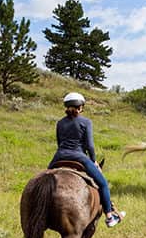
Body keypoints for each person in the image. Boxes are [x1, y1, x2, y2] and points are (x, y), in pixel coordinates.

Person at [49, 92, 124, 227]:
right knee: (103, 184)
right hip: (79, 157)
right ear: (81, 107)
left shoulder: (60, 123)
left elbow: (59, 142)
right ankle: (109, 217)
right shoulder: (86, 122)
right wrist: (94, 160)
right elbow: (89, 145)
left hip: (59, 157)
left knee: (45, 179)